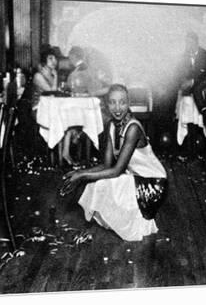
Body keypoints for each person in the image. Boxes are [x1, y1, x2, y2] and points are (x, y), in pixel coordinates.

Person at [60, 84, 167, 242]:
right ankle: (120, 219)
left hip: (154, 184)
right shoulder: (112, 125)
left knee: (103, 184)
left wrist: (82, 175)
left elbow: (116, 170)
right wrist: (80, 173)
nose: (118, 108)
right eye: (113, 102)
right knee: (95, 184)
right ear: (107, 104)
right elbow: (106, 165)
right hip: (135, 178)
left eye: (122, 102)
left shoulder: (133, 128)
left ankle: (132, 220)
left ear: (129, 103)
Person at [31, 47, 59, 113]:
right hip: (38, 108)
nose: (54, 61)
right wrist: (55, 77)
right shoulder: (38, 76)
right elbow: (52, 94)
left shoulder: (52, 74)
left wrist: (53, 76)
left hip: (49, 107)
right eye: (50, 58)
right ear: (44, 60)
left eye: (55, 58)